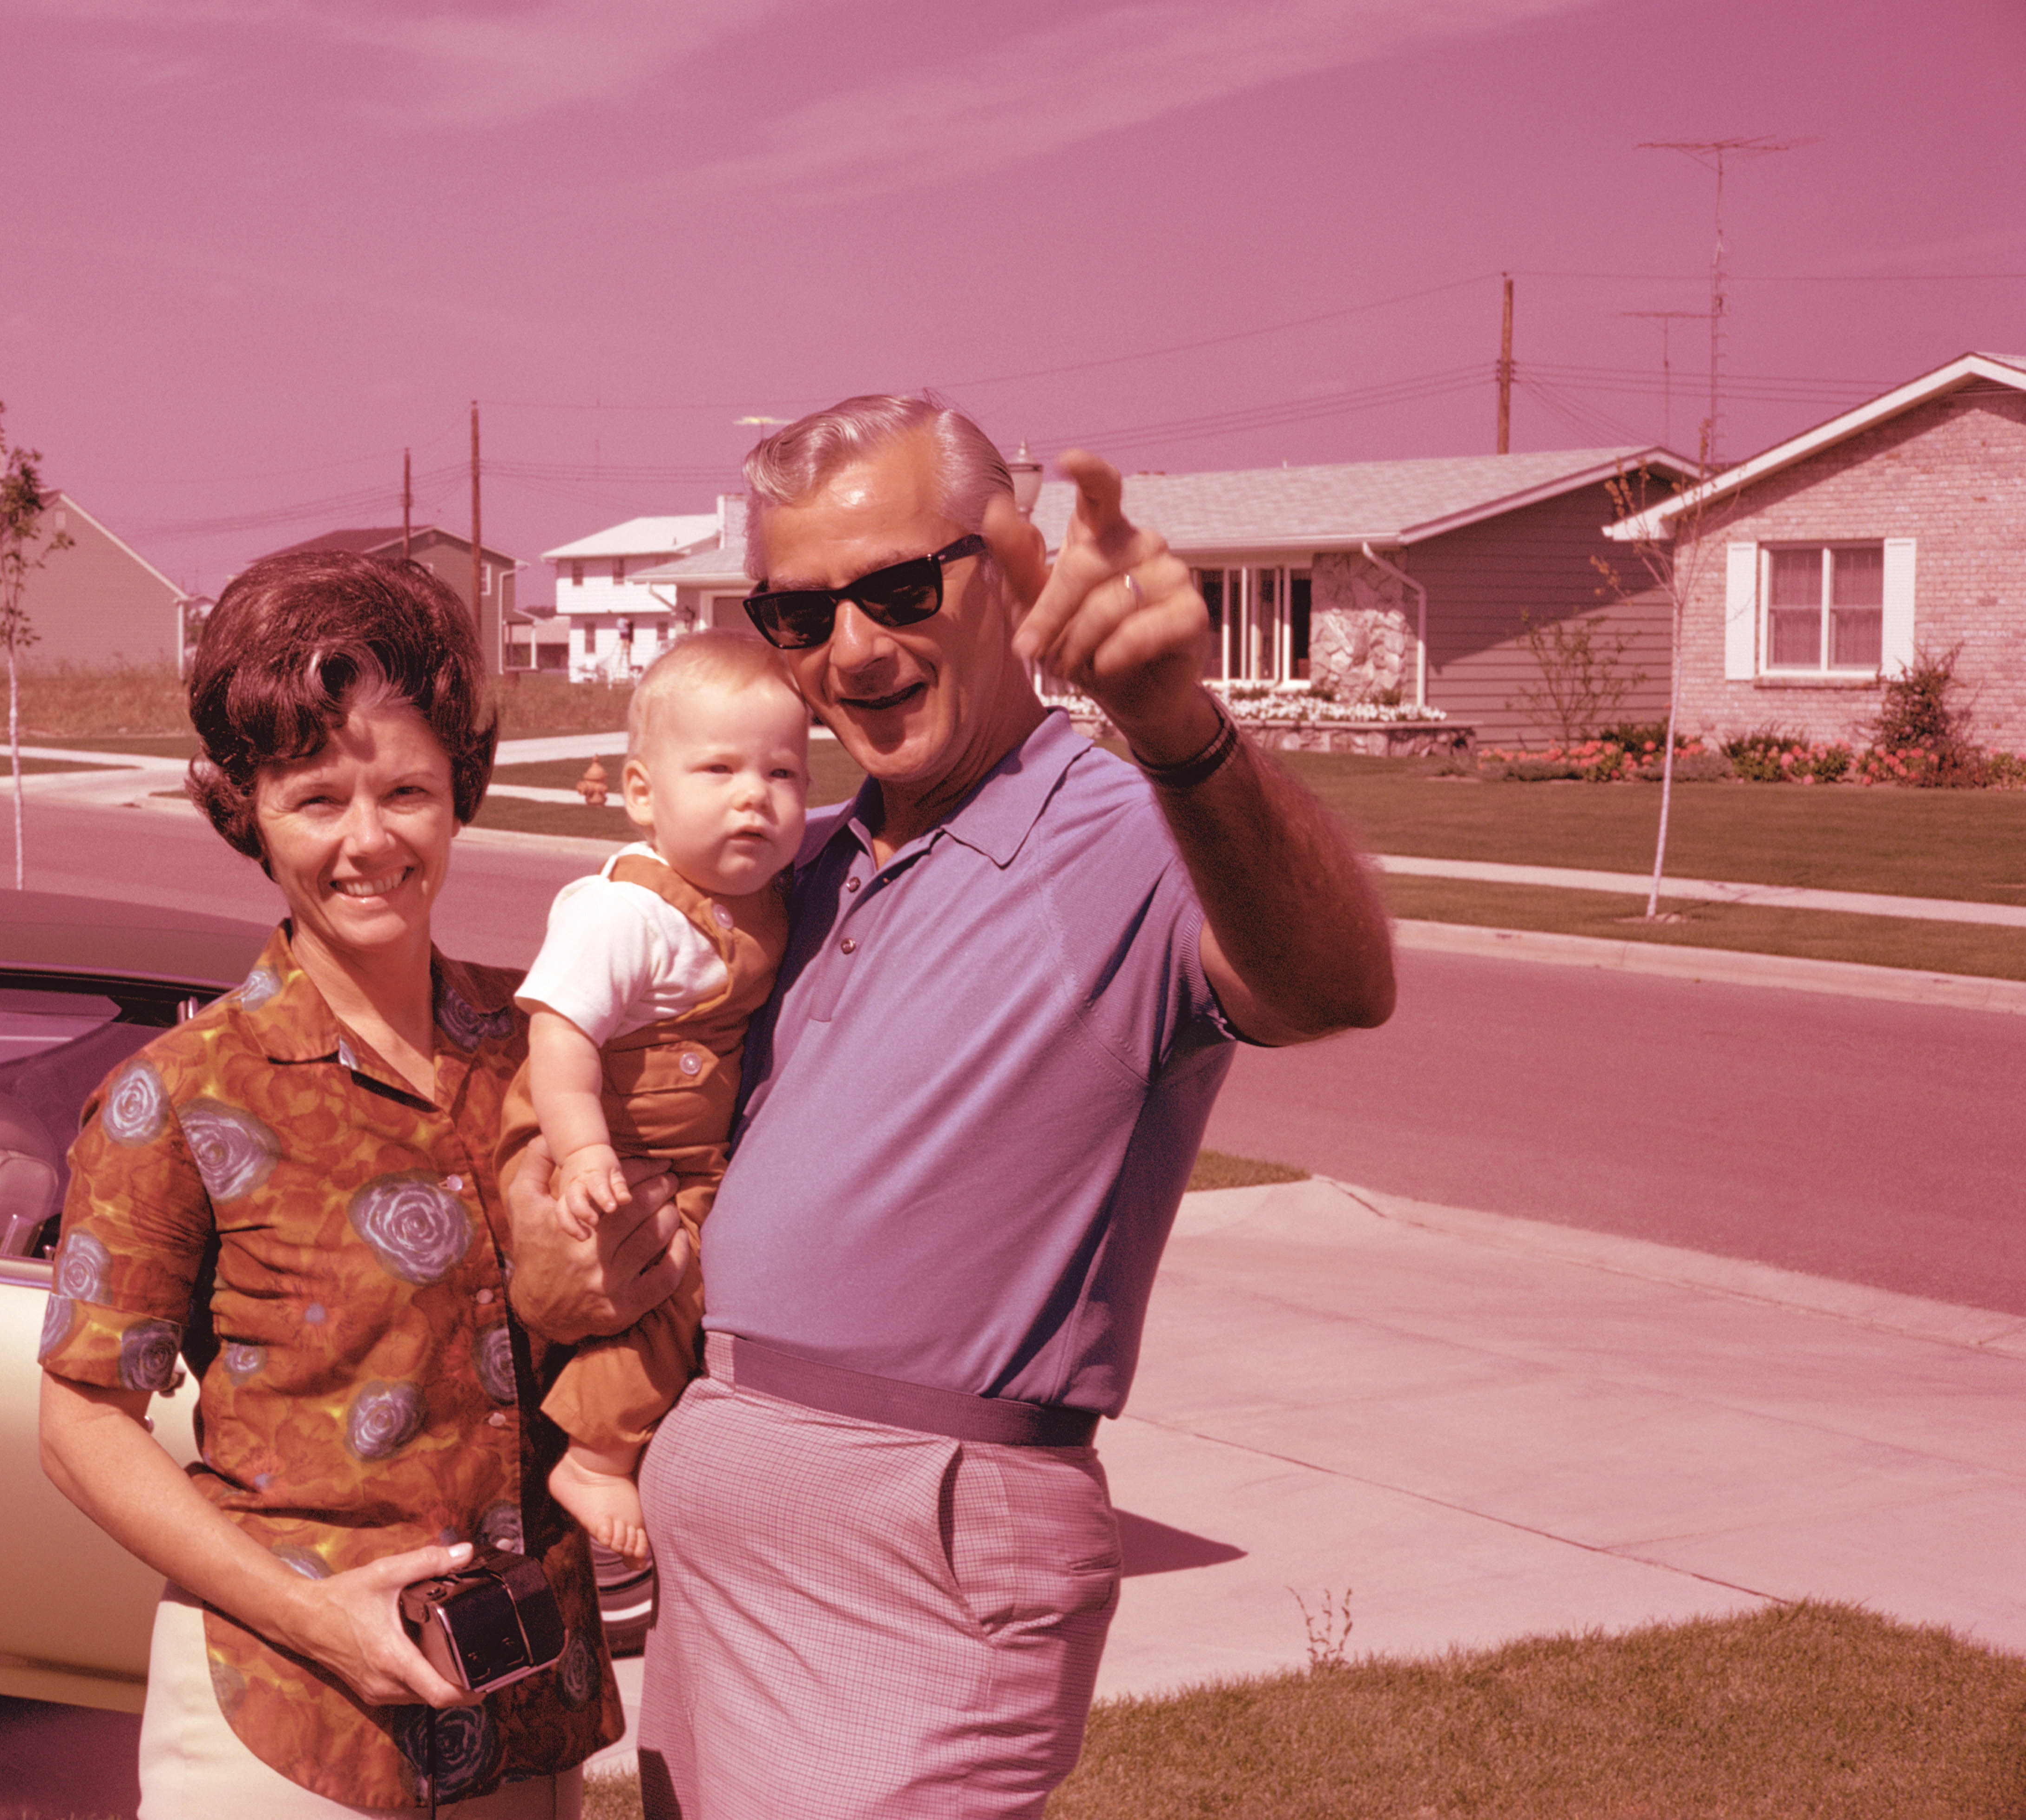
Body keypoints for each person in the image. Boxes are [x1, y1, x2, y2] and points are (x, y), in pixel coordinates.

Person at [506, 395, 1399, 1819]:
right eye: (797, 612)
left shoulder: (1125, 828)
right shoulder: (791, 860)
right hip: (718, 1562)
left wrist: (1180, 727)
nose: (852, 648)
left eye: (901, 586)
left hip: (924, 1566)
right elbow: (575, 1058)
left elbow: (1335, 982)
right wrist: (551, 1209)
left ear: (1010, 568)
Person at [35, 550, 630, 1819]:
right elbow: (81, 1426)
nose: (371, 839)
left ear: (460, 793)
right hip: (290, 1730)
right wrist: (316, 1615)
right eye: (317, 798)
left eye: (407, 789)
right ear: (245, 808)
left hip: (527, 1728)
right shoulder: (181, 1094)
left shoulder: (541, 1057)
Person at [500, 632, 810, 1563]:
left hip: (685, 1153)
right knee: (678, 1279)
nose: (754, 795)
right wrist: (585, 1151)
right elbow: (560, 1034)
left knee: (693, 1284)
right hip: (613, 1142)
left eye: (784, 772)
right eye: (717, 768)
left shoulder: (770, 891)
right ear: (641, 793)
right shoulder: (622, 912)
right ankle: (592, 1456)